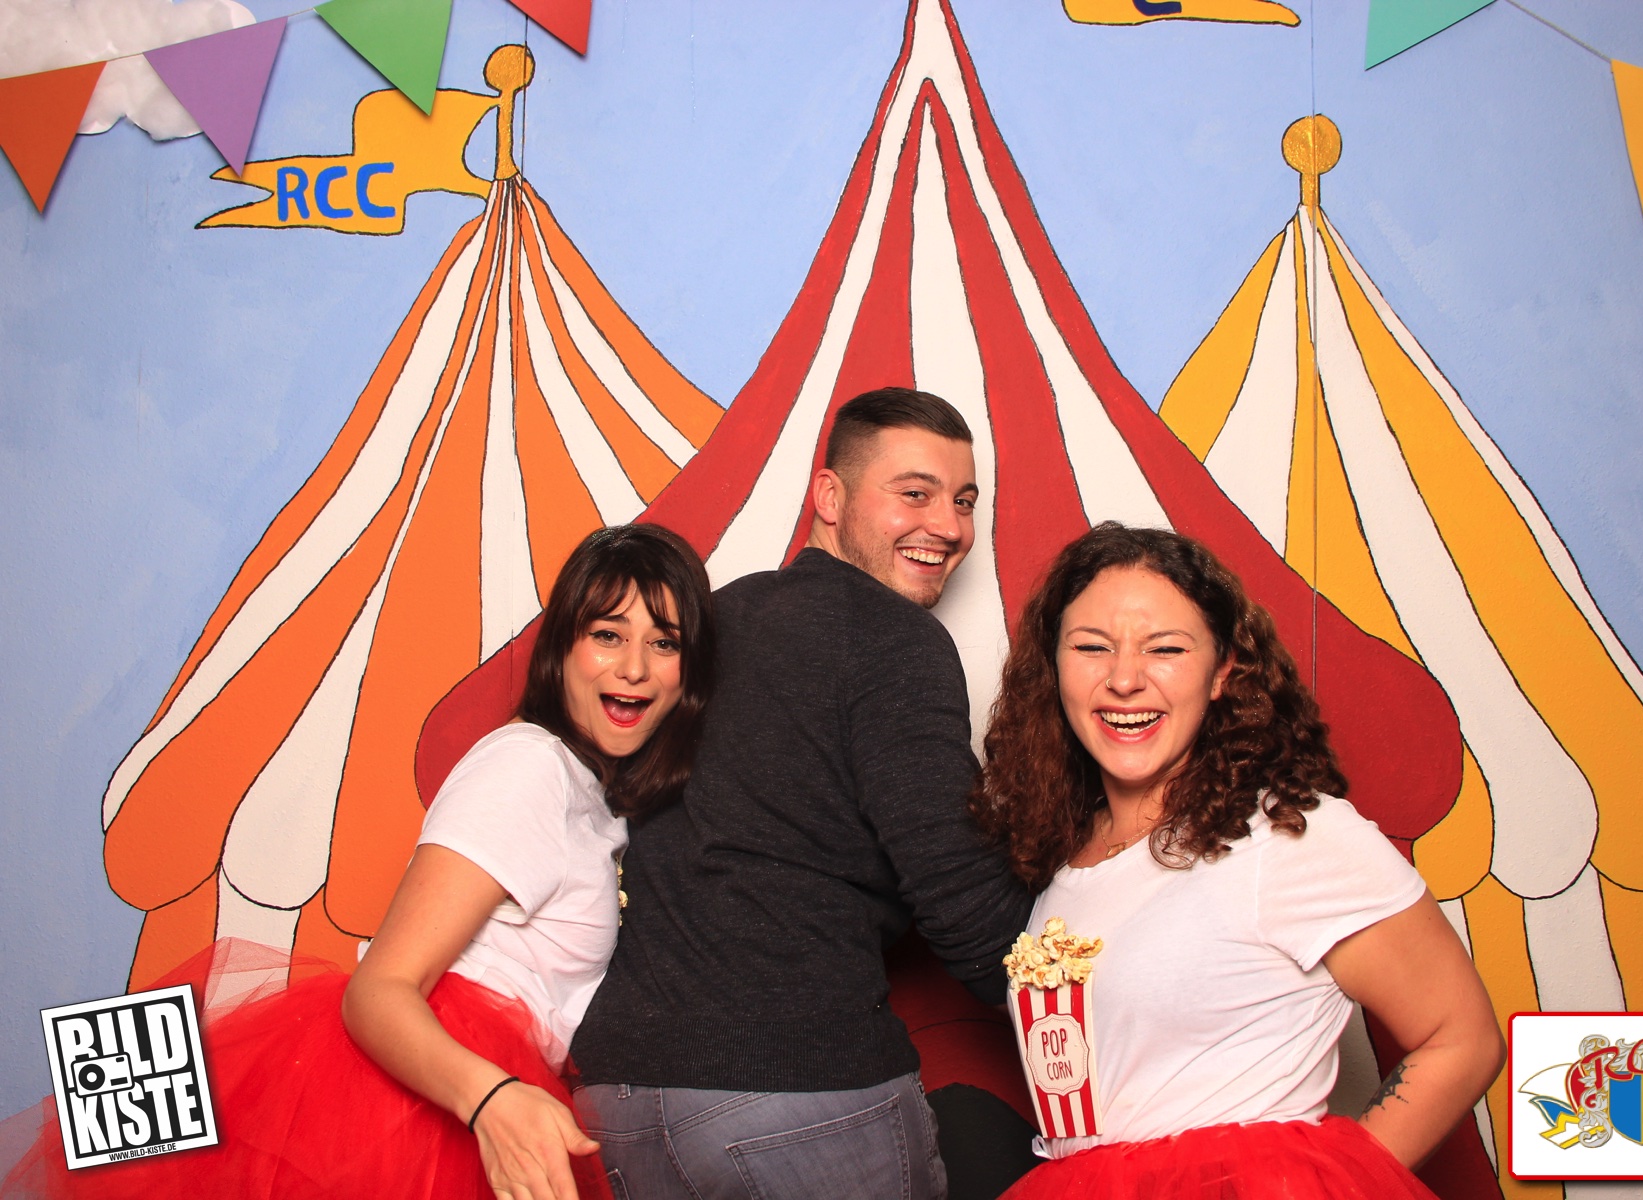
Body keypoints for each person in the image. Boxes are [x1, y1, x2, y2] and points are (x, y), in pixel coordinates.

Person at [2, 524, 715, 1200]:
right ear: (562, 649)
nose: (634, 666)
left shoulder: (594, 797)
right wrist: (493, 1099)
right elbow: (378, 991)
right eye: (607, 634)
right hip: (416, 1104)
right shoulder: (529, 767)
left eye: (664, 642)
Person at [572, 387, 1035, 1200]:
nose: (949, 526)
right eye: (915, 493)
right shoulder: (896, 640)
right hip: (792, 1091)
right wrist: (1090, 1005)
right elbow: (957, 890)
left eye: (964, 502)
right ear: (829, 496)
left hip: (621, 1104)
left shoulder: (715, 618)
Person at [974, 523, 1505, 1199]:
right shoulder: (1066, 855)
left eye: (1166, 648)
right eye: (1091, 647)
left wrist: (1330, 1184)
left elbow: (1463, 1038)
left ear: (1223, 671)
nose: (1125, 679)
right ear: (1052, 667)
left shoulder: (1289, 835)